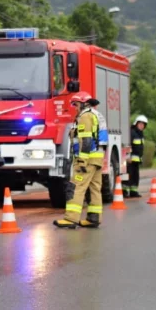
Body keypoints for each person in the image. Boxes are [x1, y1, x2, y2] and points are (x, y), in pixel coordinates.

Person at [54, 93, 104, 229]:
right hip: (97, 159)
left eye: (75, 104)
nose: (74, 108)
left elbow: (86, 140)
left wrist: (82, 159)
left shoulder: (85, 116)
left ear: (83, 103)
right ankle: (94, 218)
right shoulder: (96, 114)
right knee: (94, 189)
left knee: (76, 187)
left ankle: (71, 219)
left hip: (87, 159)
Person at [127, 115, 148, 198]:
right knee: (129, 175)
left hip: (137, 160)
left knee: (135, 176)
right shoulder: (132, 133)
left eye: (143, 125)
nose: (142, 126)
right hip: (130, 160)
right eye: (140, 124)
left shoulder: (140, 134)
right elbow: (128, 146)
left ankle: (133, 192)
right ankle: (124, 191)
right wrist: (128, 157)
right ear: (136, 124)